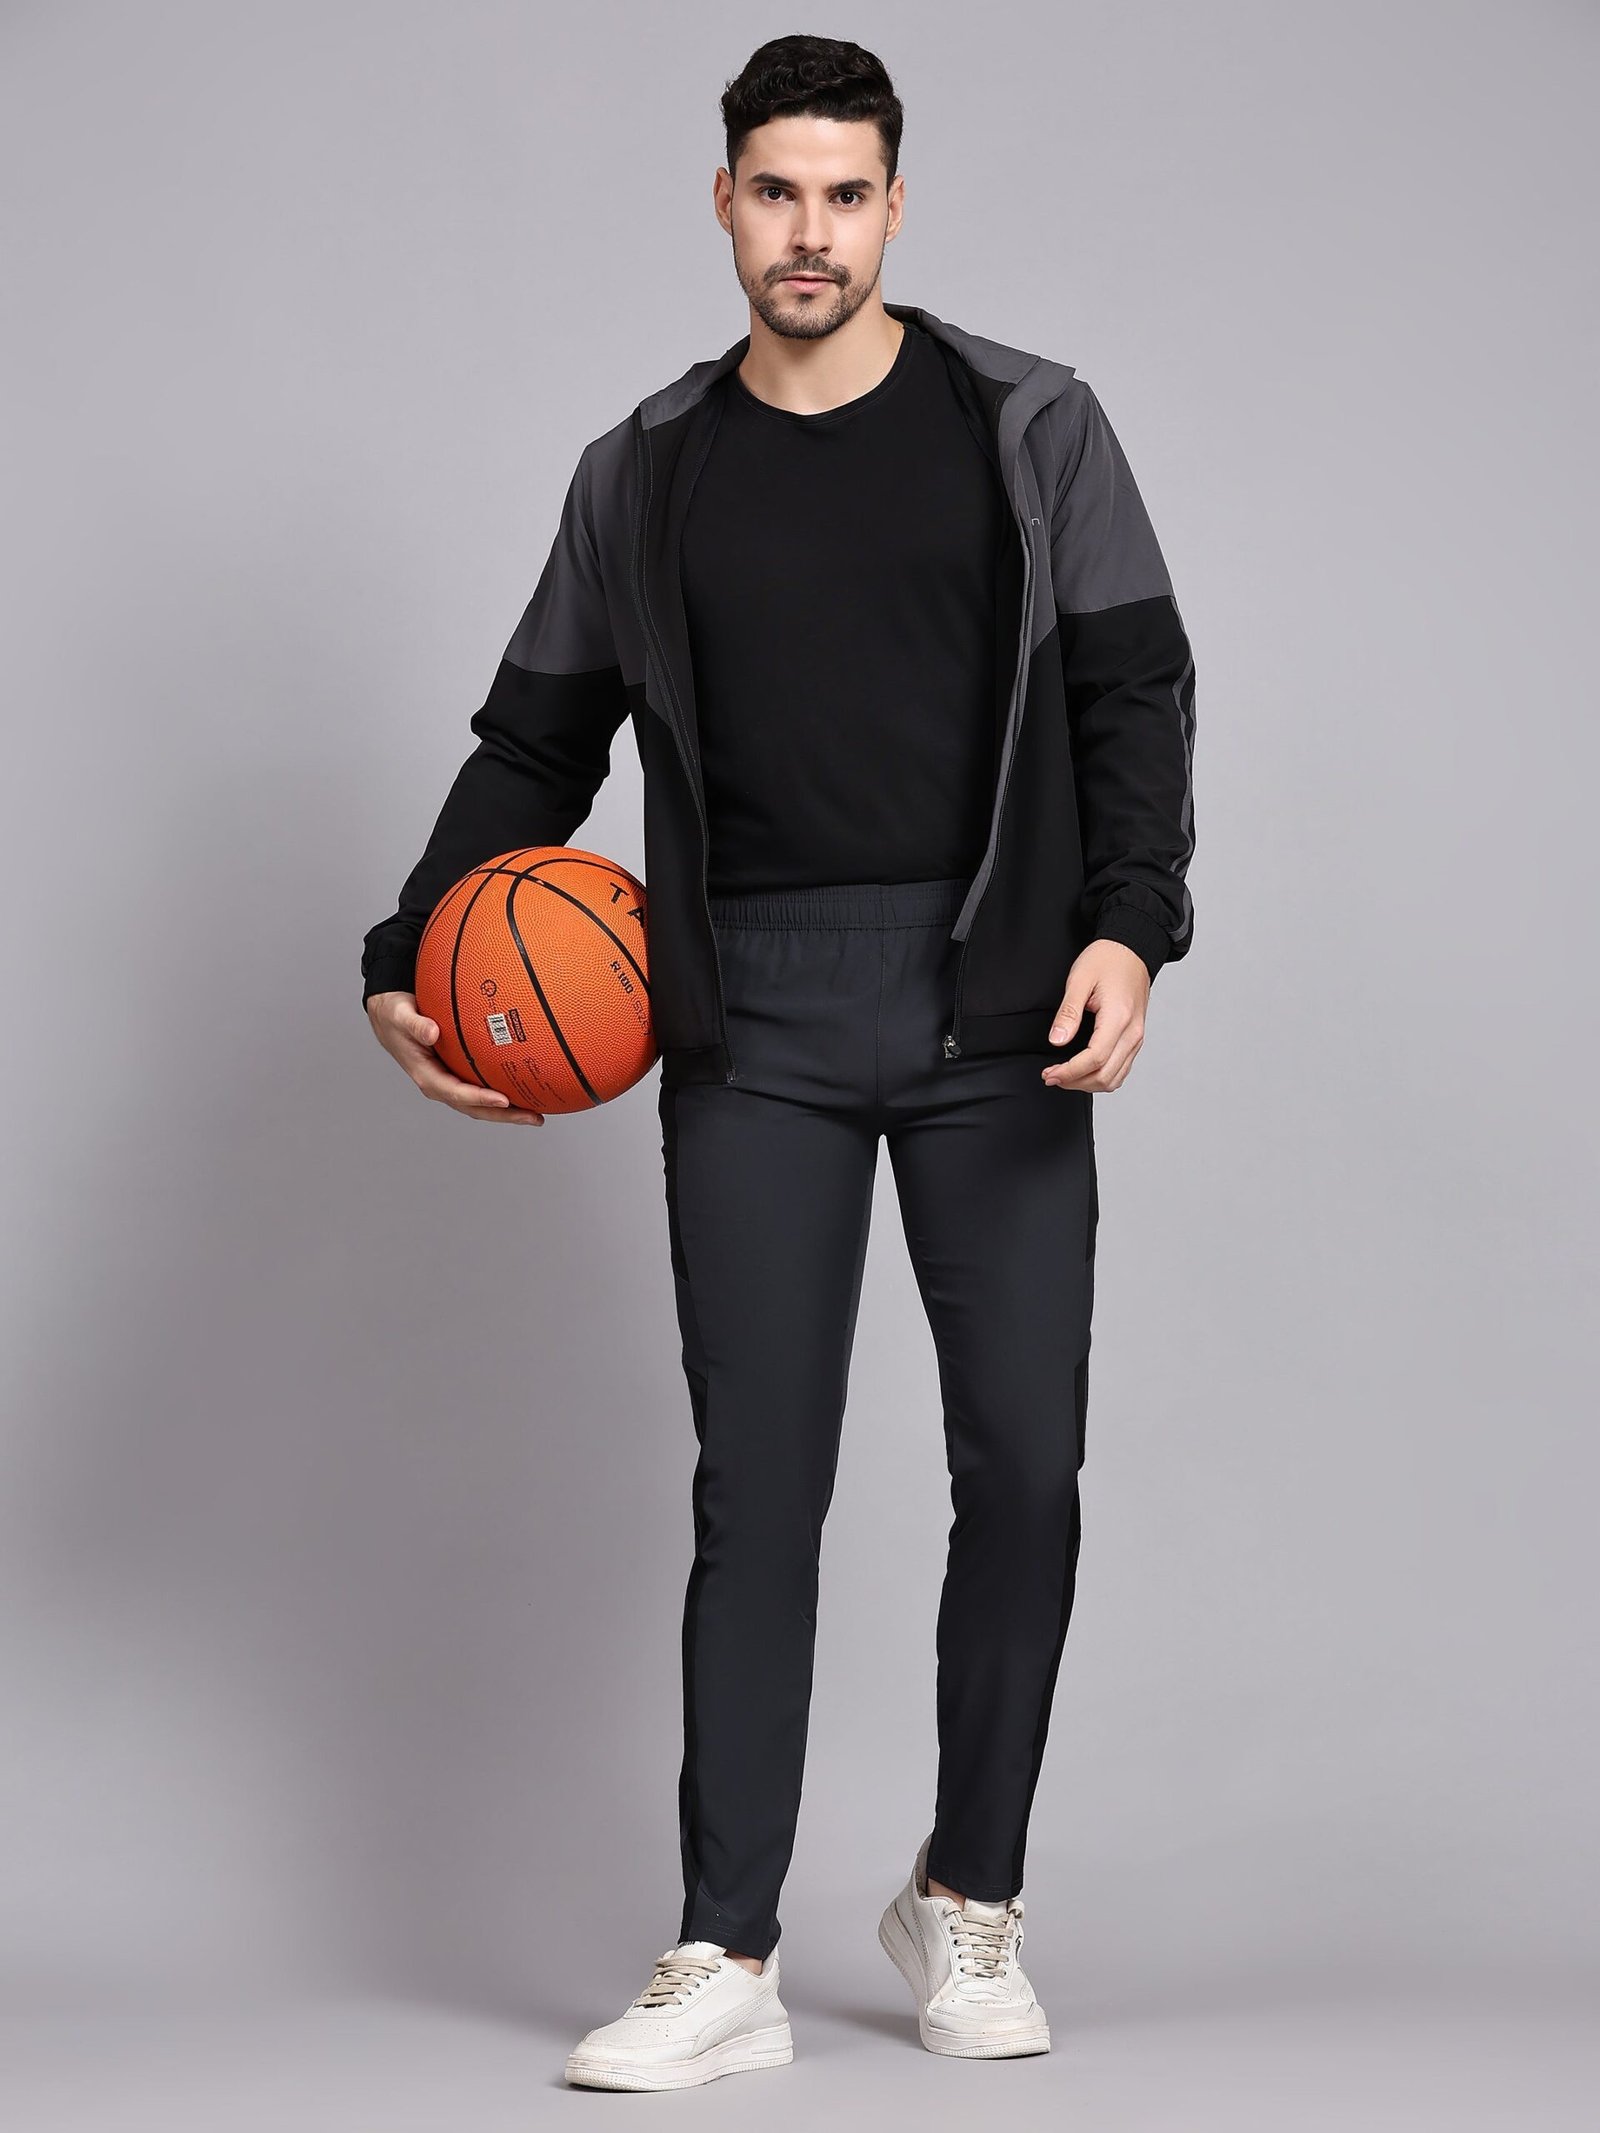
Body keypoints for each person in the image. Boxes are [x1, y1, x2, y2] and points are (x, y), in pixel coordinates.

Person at [361, 33, 1196, 2091]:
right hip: (751, 1023)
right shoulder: (642, 469)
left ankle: (967, 1897)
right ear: (723, 203)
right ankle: (721, 1947)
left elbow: (1131, 682)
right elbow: (535, 742)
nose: (807, 232)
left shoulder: (1030, 423)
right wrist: (404, 949)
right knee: (761, 1487)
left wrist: (1128, 918)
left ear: (893, 205)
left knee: (1023, 1464)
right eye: (773, 192)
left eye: (843, 194)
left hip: (997, 1007)